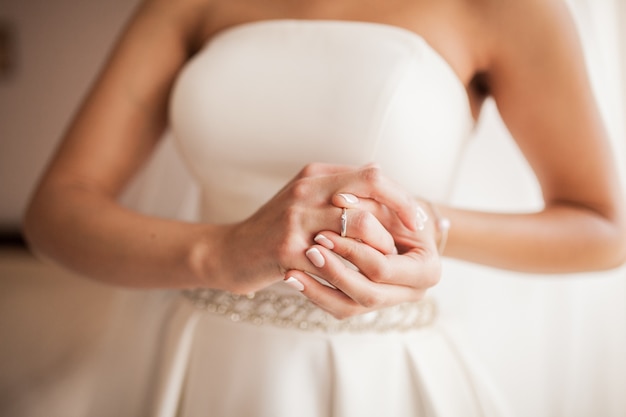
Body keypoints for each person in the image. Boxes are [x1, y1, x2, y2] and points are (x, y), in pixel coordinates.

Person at [23, 0, 626, 415]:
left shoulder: (504, 9)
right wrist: (220, 252)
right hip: (202, 360)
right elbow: (56, 211)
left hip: (378, 375)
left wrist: (422, 223)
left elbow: (604, 226)